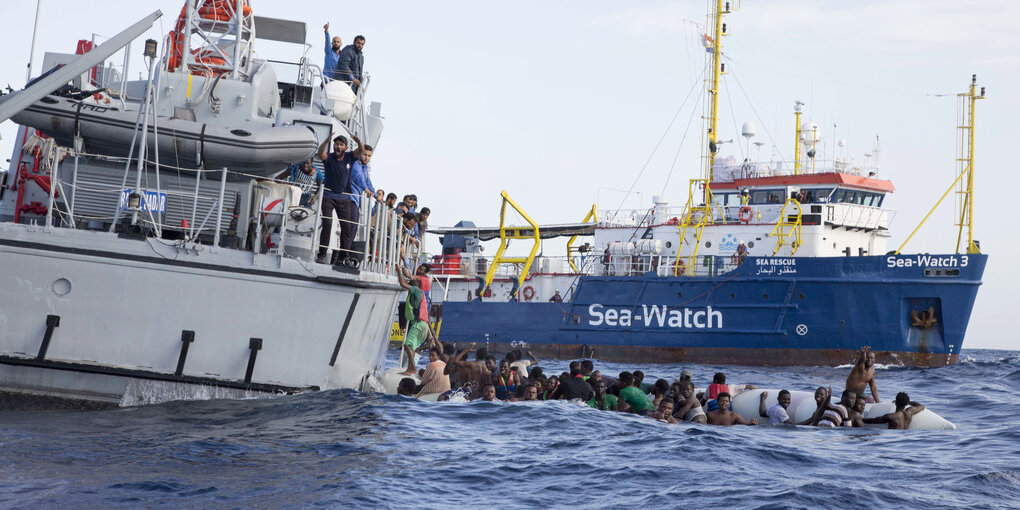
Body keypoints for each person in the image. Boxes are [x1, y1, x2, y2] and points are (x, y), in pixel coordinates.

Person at [315, 134, 362, 264]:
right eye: (336, 144)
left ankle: (343, 256)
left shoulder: (349, 157)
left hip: (344, 198)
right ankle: (322, 255)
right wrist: (326, 141)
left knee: (346, 227)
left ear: (345, 147)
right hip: (328, 196)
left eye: (341, 144)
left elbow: (361, 151)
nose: (338, 146)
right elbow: (320, 153)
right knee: (327, 223)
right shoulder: (329, 157)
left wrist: (358, 142)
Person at [396, 270, 428, 376]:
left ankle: (412, 369)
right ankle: (410, 369)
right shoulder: (419, 293)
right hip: (422, 325)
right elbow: (405, 282)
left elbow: (403, 283)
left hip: (419, 324)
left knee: (407, 345)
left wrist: (398, 271)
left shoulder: (416, 290)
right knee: (412, 347)